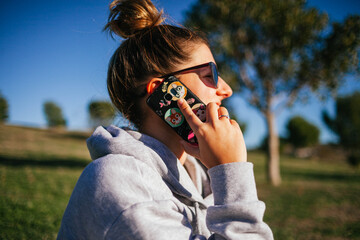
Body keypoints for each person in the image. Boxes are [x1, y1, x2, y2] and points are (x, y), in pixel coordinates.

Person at [57, 0, 273, 239]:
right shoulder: (120, 181)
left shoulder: (201, 179)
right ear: (163, 91)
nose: (227, 89)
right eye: (210, 74)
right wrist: (231, 171)